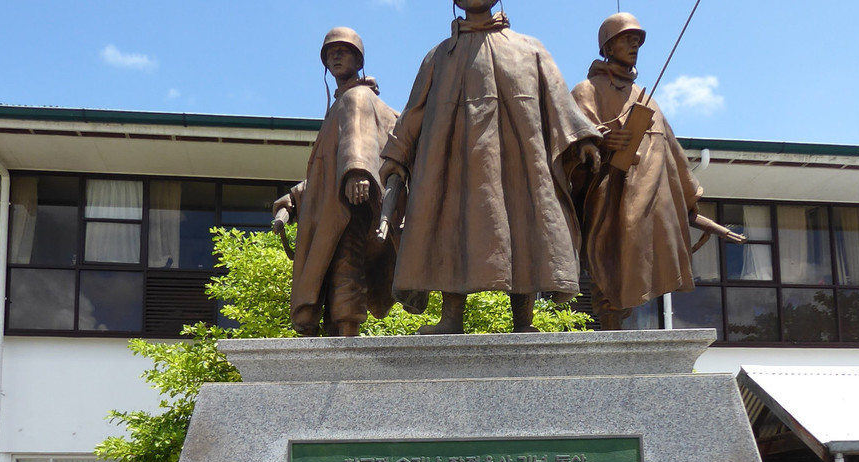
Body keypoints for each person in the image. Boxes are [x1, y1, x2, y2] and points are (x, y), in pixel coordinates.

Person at [379, 0, 601, 334]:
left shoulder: (530, 49)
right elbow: (414, 111)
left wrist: (582, 138)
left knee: (524, 225)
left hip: (520, 162)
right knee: (450, 227)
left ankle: (523, 320)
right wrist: (397, 155)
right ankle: (451, 317)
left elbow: (558, 100)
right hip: (453, 163)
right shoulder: (440, 56)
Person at [571, 13, 708, 330]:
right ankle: (607, 321)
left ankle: (617, 323)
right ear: (607, 45)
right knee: (606, 265)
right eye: (625, 38)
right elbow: (569, 136)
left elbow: (672, 152)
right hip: (605, 195)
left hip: (646, 199)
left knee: (635, 266)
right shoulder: (586, 90)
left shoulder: (647, 100)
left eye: (638, 39)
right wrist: (600, 140)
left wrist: (689, 198)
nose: (634, 44)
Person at [274, 28, 402, 337]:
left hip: (352, 202)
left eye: (343, 51)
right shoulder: (340, 103)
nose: (336, 55)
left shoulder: (358, 97)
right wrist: (292, 200)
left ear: (359, 58)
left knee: (347, 260)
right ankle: (336, 327)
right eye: (331, 52)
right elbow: (323, 170)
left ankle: (347, 329)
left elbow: (360, 137)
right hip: (334, 199)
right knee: (333, 267)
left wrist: (356, 170)